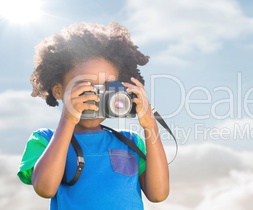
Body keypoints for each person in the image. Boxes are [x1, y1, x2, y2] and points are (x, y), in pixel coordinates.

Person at [17, 22, 169, 210]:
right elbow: (45, 188)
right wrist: (68, 120)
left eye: (107, 86)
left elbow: (158, 194)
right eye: (85, 85)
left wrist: (150, 126)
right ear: (58, 91)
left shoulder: (130, 141)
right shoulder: (45, 140)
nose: (96, 96)